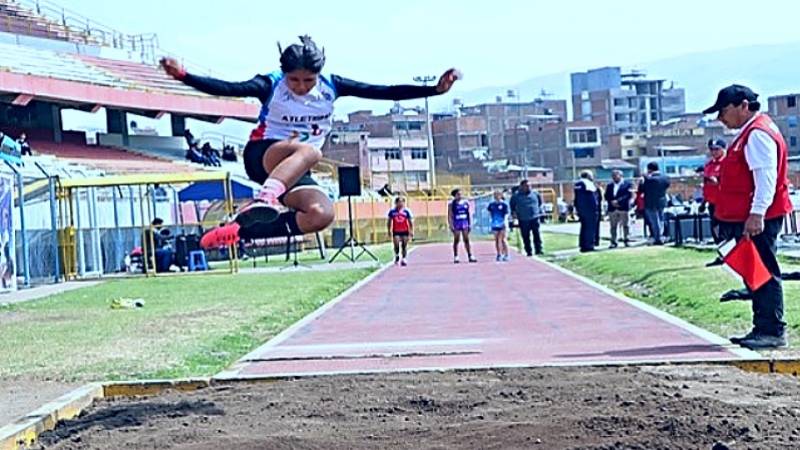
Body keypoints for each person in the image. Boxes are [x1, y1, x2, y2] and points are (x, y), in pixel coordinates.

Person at [161, 35, 459, 247]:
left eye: (308, 81)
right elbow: (227, 88)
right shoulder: (270, 84)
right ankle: (265, 199)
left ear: (318, 75)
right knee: (310, 151)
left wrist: (434, 90)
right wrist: (183, 75)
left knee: (321, 214)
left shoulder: (333, 85)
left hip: (294, 167)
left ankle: (240, 233)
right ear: (284, 74)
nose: (301, 87)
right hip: (263, 155)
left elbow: (384, 91)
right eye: (295, 81)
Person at [703, 84, 791, 349]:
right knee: (756, 272)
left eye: (724, 111)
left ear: (743, 105)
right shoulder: (752, 130)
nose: (721, 118)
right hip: (752, 214)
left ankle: (772, 330)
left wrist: (756, 214)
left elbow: (766, 178)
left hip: (760, 216)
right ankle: (764, 326)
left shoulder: (757, 134)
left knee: (763, 272)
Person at [703, 138, 727, 266]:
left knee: (726, 231)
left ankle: (730, 256)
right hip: (712, 202)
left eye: (717, 149)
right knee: (715, 231)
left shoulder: (728, 163)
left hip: (725, 202)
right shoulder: (709, 165)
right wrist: (703, 202)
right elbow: (706, 186)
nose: (714, 152)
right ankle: (722, 255)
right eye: (711, 149)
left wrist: (718, 182)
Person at [510, 180, 543, 256]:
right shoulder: (516, 196)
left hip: (534, 217)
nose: (528, 187)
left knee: (537, 234)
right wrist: (514, 215)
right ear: (522, 186)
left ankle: (539, 250)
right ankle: (528, 251)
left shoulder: (535, 193)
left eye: (529, 186)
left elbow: (539, 202)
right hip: (523, 219)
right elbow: (512, 206)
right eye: (526, 186)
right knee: (525, 236)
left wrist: (537, 211)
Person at [642, 162, 670, 245]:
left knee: (654, 221)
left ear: (649, 169)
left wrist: (643, 180)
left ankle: (657, 238)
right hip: (661, 201)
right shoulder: (665, 178)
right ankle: (662, 236)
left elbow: (643, 189)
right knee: (661, 219)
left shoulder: (649, 180)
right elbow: (667, 186)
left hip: (651, 202)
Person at [604, 170, 632, 248]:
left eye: (616, 175)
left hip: (623, 208)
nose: (614, 177)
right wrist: (611, 201)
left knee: (625, 225)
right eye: (613, 175)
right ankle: (613, 241)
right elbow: (606, 195)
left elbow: (628, 195)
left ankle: (626, 240)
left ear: (621, 175)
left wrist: (618, 201)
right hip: (612, 209)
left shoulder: (627, 184)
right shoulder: (609, 185)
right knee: (613, 226)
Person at [449, 188, 476, 263]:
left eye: (461, 194)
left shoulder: (465, 203)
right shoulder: (452, 204)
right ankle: (456, 256)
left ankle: (470, 255)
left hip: (464, 222)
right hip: (457, 223)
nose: (460, 195)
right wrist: (451, 225)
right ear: (455, 196)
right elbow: (450, 215)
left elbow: (469, 214)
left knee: (466, 239)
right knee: (456, 239)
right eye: (458, 194)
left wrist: (470, 223)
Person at [574, 170, 599, 253]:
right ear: (588, 176)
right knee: (590, 228)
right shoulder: (587, 183)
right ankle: (589, 245)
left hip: (581, 209)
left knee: (584, 227)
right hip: (589, 209)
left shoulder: (577, 184)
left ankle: (583, 245)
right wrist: (596, 207)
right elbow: (592, 198)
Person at [387, 197, 413, 266]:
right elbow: (389, 221)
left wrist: (411, 231)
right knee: (396, 244)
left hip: (405, 230)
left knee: (404, 245)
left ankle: (404, 258)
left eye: (402, 202)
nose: (401, 204)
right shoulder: (392, 212)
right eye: (399, 202)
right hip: (396, 231)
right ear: (396, 203)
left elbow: (410, 222)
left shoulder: (406, 211)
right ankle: (397, 255)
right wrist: (389, 230)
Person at [487, 190, 510, 261]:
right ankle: (499, 254)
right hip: (495, 224)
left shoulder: (504, 204)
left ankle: (506, 254)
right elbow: (490, 212)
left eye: (498, 194)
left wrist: (505, 222)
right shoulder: (491, 205)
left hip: (502, 223)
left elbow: (506, 214)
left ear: (501, 195)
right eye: (495, 195)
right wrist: (492, 220)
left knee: (503, 239)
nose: (496, 196)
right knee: (497, 240)